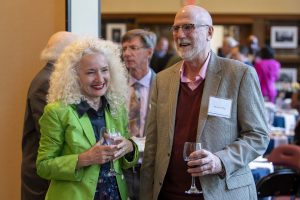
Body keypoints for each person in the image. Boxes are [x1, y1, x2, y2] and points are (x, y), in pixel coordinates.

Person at [140, 5, 269, 200]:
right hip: (169, 193)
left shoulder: (239, 74)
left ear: (209, 32)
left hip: (222, 192)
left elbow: (258, 135)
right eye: (175, 28)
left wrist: (221, 160)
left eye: (188, 27)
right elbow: (153, 143)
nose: (180, 34)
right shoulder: (163, 79)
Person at [36, 37, 139, 200]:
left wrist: (129, 147)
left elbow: (123, 161)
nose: (100, 79)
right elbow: (43, 166)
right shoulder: (58, 112)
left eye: (104, 70)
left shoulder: (116, 108)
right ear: (75, 76)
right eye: (91, 72)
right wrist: (85, 159)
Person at [21, 31, 78, 200]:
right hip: (42, 178)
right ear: (67, 53)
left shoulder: (51, 78)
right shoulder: (47, 81)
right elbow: (48, 131)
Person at [121, 29, 157, 200]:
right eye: (124, 48)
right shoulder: (115, 86)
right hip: (122, 166)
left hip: (151, 167)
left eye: (133, 48)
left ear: (149, 52)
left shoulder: (163, 86)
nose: (127, 53)